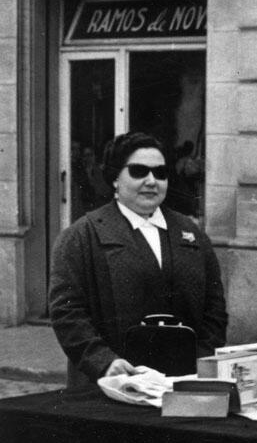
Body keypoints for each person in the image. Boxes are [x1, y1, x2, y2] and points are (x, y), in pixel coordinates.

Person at [49, 131, 227, 385]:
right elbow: (67, 312)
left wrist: (202, 360)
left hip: (181, 381)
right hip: (111, 384)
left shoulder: (191, 233)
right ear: (114, 178)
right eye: (138, 171)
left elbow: (214, 308)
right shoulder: (81, 237)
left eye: (160, 173)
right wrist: (103, 361)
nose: (151, 181)